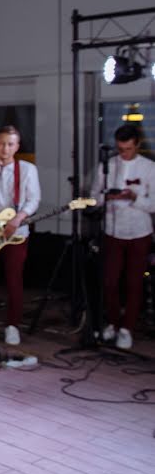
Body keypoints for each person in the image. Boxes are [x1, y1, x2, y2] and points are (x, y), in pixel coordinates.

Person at [0, 125, 41, 346]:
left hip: (16, 231)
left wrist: (18, 218)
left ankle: (13, 325)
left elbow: (34, 200)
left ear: (17, 146)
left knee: (15, 280)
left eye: (10, 144)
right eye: (2, 143)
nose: (5, 148)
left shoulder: (28, 170)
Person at [92, 124, 155, 350]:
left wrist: (133, 196)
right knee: (110, 281)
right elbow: (95, 196)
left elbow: (153, 204)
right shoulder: (107, 166)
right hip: (112, 230)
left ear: (137, 144)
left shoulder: (149, 168)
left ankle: (127, 328)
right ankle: (113, 323)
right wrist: (105, 198)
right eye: (120, 149)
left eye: (127, 149)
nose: (123, 153)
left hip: (139, 231)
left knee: (134, 283)